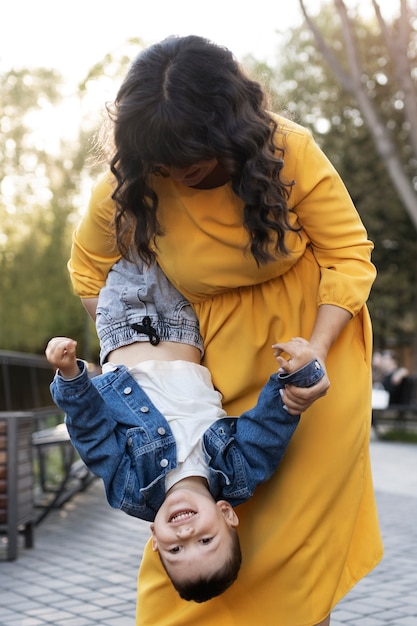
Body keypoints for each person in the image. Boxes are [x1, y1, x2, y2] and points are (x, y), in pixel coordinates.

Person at [68, 35, 383, 626]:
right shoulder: (135, 179)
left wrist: (314, 354)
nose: (177, 173)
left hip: (306, 360)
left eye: (189, 157)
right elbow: (88, 270)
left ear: (232, 127)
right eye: (162, 162)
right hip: (200, 367)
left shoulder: (289, 150)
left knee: (295, 556)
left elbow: (349, 254)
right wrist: (135, 357)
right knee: (183, 568)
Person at [46, 251, 324, 603]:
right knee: (164, 233)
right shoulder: (238, 472)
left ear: (155, 539)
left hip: (119, 329)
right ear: (226, 515)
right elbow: (268, 428)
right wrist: (298, 374)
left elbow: (92, 433)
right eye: (205, 541)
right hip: (182, 325)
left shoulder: (130, 488)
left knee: (122, 237)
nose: (186, 533)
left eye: (175, 550)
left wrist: (71, 378)